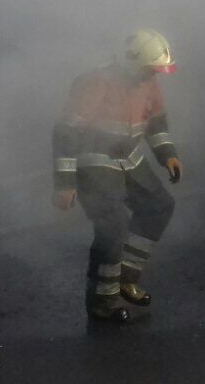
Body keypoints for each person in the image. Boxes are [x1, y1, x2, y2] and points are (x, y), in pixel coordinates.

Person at [52, 29, 184, 323]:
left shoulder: (148, 83)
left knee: (159, 206)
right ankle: (103, 300)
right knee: (113, 225)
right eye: (150, 70)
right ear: (132, 64)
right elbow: (66, 133)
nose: (153, 76)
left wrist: (168, 155)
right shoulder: (95, 83)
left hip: (130, 160)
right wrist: (65, 183)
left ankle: (125, 276)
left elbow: (156, 124)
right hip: (94, 163)